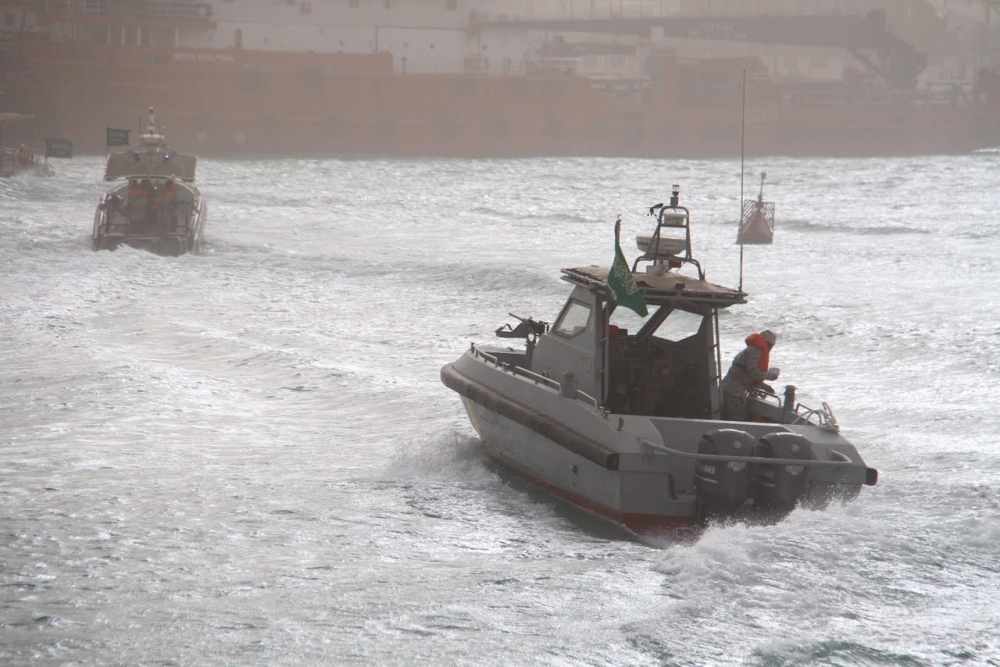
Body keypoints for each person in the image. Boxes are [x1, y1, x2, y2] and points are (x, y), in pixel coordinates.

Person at [721, 329, 780, 421]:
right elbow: (752, 371)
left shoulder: (750, 350)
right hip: (734, 392)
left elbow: (745, 375)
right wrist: (770, 376)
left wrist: (765, 387)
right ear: (768, 344)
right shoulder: (756, 351)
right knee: (737, 419)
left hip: (729, 388)